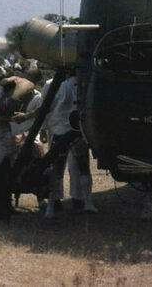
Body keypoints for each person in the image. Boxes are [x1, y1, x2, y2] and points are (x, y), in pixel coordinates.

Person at [43, 75, 97, 217]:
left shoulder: (53, 84)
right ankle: (86, 202)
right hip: (74, 131)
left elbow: (45, 107)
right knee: (82, 168)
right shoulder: (80, 82)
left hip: (61, 131)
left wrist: (43, 128)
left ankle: (51, 207)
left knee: (58, 171)